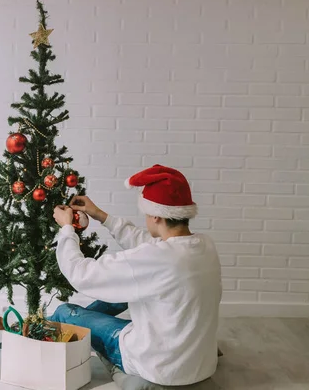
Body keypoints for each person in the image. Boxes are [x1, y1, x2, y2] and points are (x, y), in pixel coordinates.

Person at [51, 164, 222, 386]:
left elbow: (79, 272)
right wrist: (101, 215)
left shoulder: (155, 258)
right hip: (198, 364)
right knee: (123, 295)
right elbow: (148, 243)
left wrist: (67, 229)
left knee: (65, 312)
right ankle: (80, 321)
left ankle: (48, 338)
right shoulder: (204, 246)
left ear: (157, 217)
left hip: (157, 366)